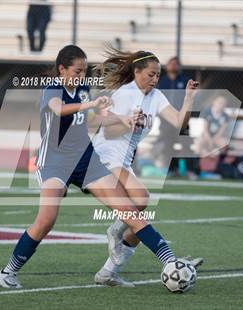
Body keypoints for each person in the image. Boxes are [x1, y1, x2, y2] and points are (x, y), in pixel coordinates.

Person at [0, 45, 190, 289]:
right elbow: (59, 109)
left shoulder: (84, 90)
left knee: (129, 210)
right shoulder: (53, 88)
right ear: (62, 69)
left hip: (85, 159)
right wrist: (89, 105)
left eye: (84, 71)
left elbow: (93, 120)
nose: (81, 76)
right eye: (77, 71)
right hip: (55, 161)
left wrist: (122, 119)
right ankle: (8, 272)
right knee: (46, 220)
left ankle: (169, 260)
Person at [92, 49, 202, 287]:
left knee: (137, 216)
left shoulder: (157, 96)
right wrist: (128, 122)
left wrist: (189, 98)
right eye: (151, 74)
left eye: (158, 75)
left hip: (124, 159)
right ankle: (114, 232)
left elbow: (177, 123)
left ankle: (107, 272)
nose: (155, 79)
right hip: (106, 155)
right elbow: (108, 131)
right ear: (137, 72)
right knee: (141, 197)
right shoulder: (125, 94)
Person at [155, 57, 190, 176]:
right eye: (172, 64)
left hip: (182, 119)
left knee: (186, 144)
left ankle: (187, 169)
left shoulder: (185, 81)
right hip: (166, 120)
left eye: (176, 64)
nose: (174, 66)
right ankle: (171, 170)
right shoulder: (161, 82)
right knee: (167, 145)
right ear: (166, 66)